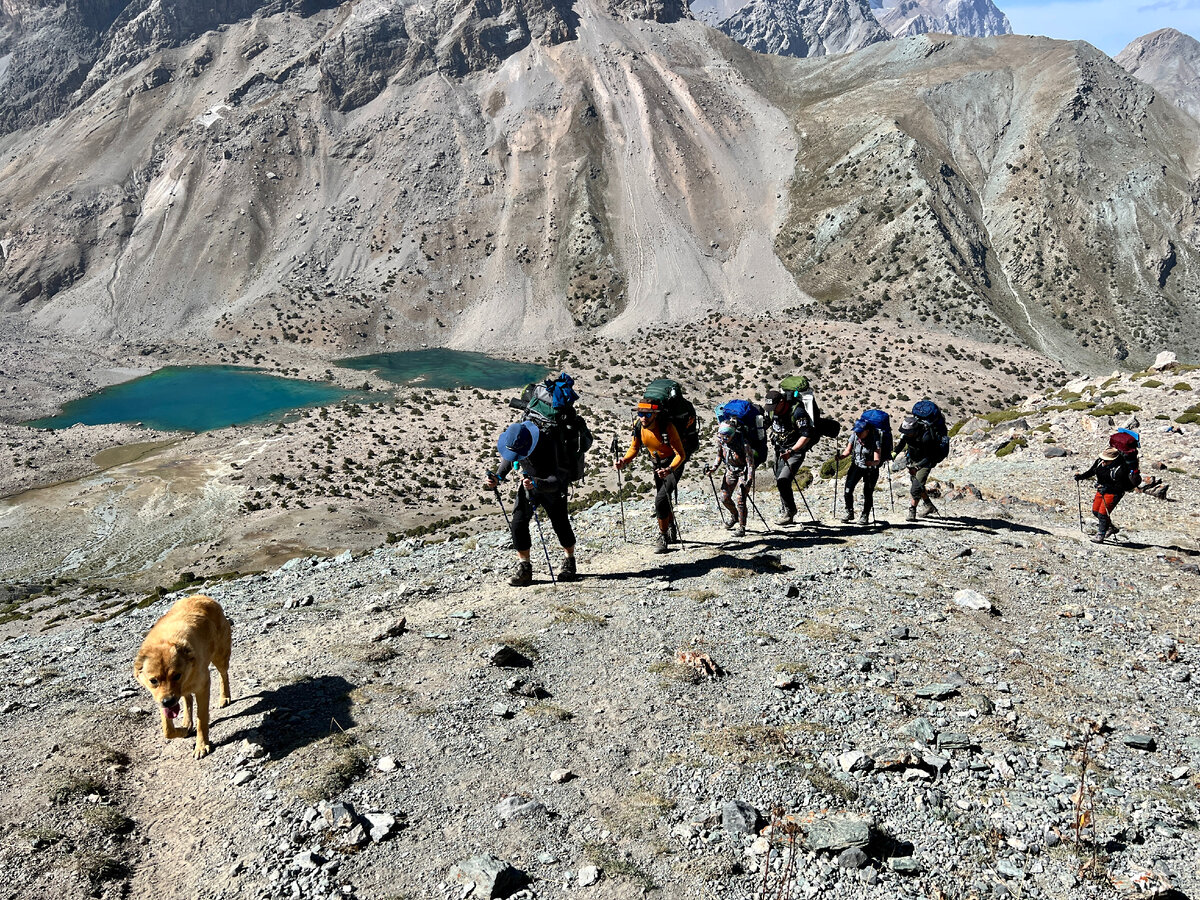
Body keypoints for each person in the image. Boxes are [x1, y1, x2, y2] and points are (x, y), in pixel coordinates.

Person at [485, 421, 577, 585]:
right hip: (529, 486)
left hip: (552, 489)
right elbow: (509, 458)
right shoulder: (519, 442)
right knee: (518, 523)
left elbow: (556, 479)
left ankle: (569, 561)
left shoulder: (549, 443)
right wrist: (497, 477)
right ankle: (524, 568)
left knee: (560, 524)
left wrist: (536, 482)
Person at [615, 400, 687, 553]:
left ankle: (663, 536)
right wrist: (624, 461)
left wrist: (669, 469)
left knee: (660, 500)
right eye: (641, 414)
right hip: (657, 466)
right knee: (664, 500)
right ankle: (671, 526)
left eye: (647, 414)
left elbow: (681, 455)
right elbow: (634, 447)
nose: (643, 418)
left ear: (655, 414)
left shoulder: (667, 427)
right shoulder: (639, 425)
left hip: (673, 466)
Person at [766, 381, 819, 525]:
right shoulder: (772, 411)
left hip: (795, 452)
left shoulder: (797, 412)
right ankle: (786, 509)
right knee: (779, 480)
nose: (772, 410)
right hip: (780, 450)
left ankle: (789, 512)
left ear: (782, 402)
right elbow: (766, 424)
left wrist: (792, 450)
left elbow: (806, 435)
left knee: (783, 480)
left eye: (774, 407)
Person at [1074, 431, 1141, 543]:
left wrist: (1107, 488)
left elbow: (1120, 487)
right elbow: (1092, 471)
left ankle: (1100, 535)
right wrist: (1081, 477)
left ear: (1113, 460)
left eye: (1107, 460)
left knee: (1102, 513)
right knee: (1095, 511)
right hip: (1102, 489)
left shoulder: (1121, 469)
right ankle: (1111, 528)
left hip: (1114, 493)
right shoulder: (1100, 462)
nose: (1104, 461)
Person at [894, 400, 949, 522]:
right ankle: (929, 506)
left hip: (925, 463)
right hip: (913, 460)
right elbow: (902, 442)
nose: (906, 435)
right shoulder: (909, 434)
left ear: (913, 431)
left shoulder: (926, 438)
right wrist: (894, 453)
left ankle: (912, 512)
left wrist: (918, 467)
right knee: (918, 485)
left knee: (915, 488)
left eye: (908, 433)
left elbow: (929, 457)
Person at [704, 422, 757, 537]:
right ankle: (735, 516)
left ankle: (742, 527)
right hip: (730, 471)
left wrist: (749, 478)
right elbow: (719, 456)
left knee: (740, 499)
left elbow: (750, 463)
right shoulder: (721, 442)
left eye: (726, 436)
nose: (724, 438)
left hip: (743, 472)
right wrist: (713, 469)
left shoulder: (744, 444)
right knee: (724, 498)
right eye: (722, 436)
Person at [836, 419, 883, 524]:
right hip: (856, 466)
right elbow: (848, 450)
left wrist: (871, 463)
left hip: (871, 469)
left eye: (860, 431)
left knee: (867, 492)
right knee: (848, 490)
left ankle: (865, 515)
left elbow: (877, 459)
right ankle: (849, 511)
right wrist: (841, 457)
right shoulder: (855, 436)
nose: (858, 433)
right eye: (856, 431)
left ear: (867, 430)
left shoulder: (875, 439)